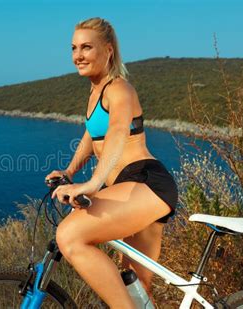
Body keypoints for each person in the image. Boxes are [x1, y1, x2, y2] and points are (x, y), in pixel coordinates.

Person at [46, 17, 178, 308]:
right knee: (135, 287)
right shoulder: (95, 91)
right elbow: (92, 134)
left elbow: (117, 133)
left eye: (86, 47)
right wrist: (69, 172)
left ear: (108, 51)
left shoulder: (119, 90)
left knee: (70, 235)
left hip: (145, 182)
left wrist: (92, 184)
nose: (78, 55)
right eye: (73, 48)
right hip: (127, 187)